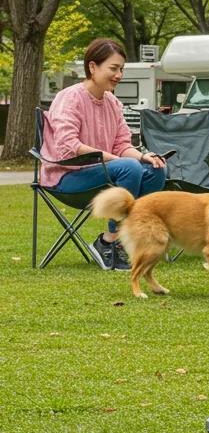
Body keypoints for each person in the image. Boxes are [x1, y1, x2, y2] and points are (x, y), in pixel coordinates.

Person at [41, 38, 167, 270]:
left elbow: (121, 145)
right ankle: (111, 240)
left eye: (121, 69)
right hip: (67, 177)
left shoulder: (113, 103)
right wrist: (118, 160)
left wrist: (143, 156)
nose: (119, 74)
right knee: (129, 167)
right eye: (113, 68)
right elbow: (67, 145)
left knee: (156, 169)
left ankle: (120, 240)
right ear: (92, 67)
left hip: (104, 174)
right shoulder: (70, 98)